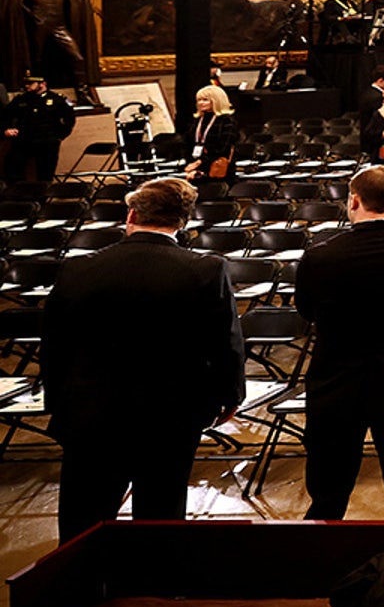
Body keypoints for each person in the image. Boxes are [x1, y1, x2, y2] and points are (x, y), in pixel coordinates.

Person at [40, 177, 243, 542]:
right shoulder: (206, 270)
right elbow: (225, 343)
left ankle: (79, 592)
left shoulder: (78, 268)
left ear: (131, 214)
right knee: (160, 518)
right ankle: (154, 592)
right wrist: (229, 397)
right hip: (170, 415)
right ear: (182, 221)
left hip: (91, 413)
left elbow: (55, 344)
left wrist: (57, 403)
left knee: (83, 522)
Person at [292, 165, 384, 519]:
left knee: (329, 488)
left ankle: (323, 563)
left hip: (337, 380)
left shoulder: (320, 255)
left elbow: (306, 310)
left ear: (353, 200)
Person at [0, 0, 100, 101]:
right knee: (36, 60)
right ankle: (34, 93)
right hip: (37, 27)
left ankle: (83, 92)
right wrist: (29, 15)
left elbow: (78, 0)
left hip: (59, 26)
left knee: (77, 57)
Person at [3, 73, 75, 183]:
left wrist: (59, 136)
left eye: (31, 83)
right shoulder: (21, 99)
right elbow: (6, 115)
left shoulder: (57, 100)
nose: (27, 86)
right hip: (24, 140)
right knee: (13, 169)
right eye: (26, 83)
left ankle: (42, 198)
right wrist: (6, 129)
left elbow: (69, 120)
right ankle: (18, 196)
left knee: (45, 174)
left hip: (47, 141)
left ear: (43, 84)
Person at [182, 84, 240, 183]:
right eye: (199, 100)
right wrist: (191, 163)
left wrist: (200, 162)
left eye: (205, 100)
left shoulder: (227, 121)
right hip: (195, 165)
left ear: (216, 101)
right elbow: (188, 143)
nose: (201, 103)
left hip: (217, 167)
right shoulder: (197, 120)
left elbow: (223, 148)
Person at [357, 68, 384, 158]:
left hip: (366, 134)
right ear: (380, 80)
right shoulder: (378, 97)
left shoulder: (366, 93)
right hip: (376, 136)